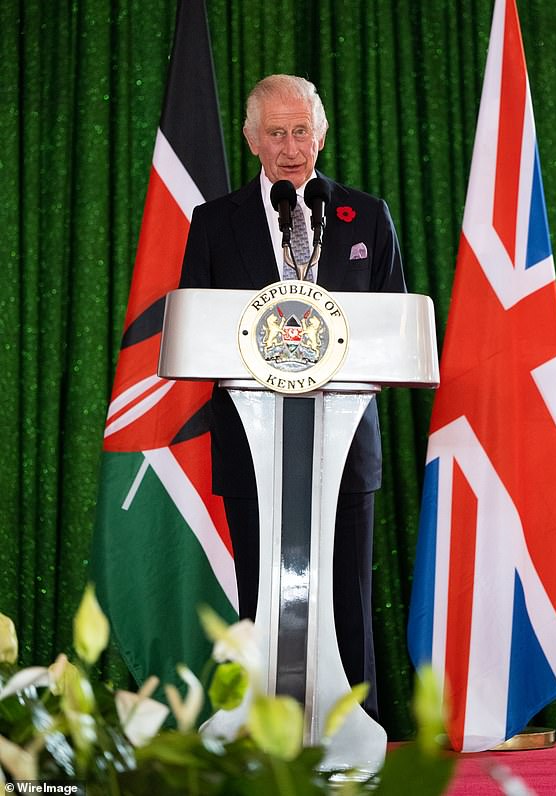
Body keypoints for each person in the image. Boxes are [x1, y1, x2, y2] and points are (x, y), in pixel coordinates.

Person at [179, 74, 406, 720]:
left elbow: (395, 329)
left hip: (344, 447)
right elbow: (196, 331)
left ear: (322, 133)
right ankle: (263, 737)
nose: (290, 147)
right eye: (275, 133)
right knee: (263, 601)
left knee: (348, 602)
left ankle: (352, 744)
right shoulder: (215, 224)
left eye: (300, 130)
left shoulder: (367, 216)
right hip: (254, 447)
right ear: (251, 140)